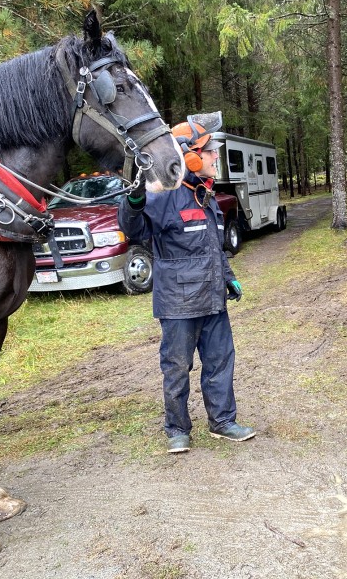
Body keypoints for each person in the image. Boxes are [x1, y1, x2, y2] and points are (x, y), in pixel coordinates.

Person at [118, 113, 256, 453]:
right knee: (177, 367)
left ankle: (222, 421)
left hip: (212, 299)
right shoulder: (165, 195)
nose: (216, 157)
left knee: (221, 361)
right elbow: (134, 231)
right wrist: (134, 199)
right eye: (210, 151)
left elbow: (212, 247)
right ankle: (177, 429)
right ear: (190, 156)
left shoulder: (204, 196)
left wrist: (229, 278)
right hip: (178, 305)